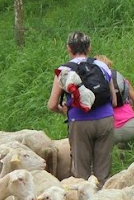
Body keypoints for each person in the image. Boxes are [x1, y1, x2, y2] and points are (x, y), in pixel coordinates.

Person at [47, 31, 116, 185]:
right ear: (89, 48)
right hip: (106, 119)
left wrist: (62, 110)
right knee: (103, 173)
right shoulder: (101, 65)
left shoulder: (64, 70)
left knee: (81, 174)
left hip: (80, 121)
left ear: (68, 48)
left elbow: (52, 104)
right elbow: (114, 100)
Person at [95, 55, 134, 146]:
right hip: (131, 126)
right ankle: (124, 148)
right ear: (109, 66)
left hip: (109, 132)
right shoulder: (121, 81)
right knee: (125, 141)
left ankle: (118, 151)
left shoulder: (92, 86)